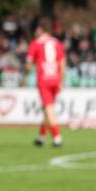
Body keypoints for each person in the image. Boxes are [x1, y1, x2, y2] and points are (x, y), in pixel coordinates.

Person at [25, 18, 66, 147]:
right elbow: (62, 64)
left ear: (40, 29)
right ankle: (41, 137)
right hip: (55, 78)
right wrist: (61, 81)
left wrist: (25, 72)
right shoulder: (57, 43)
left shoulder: (35, 43)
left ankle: (57, 136)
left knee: (48, 109)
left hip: (44, 80)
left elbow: (28, 65)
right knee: (47, 109)